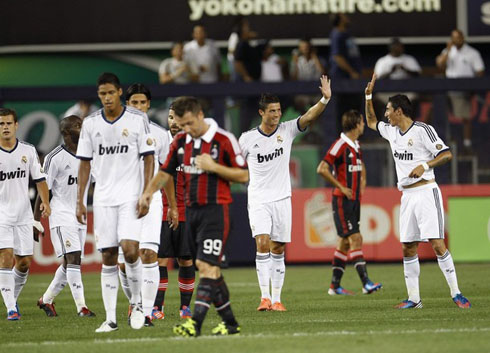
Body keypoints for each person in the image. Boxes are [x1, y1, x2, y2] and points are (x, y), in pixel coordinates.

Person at [138, 96, 248, 337]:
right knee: (209, 269)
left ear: (199, 115)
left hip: (216, 211)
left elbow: (243, 176)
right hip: (191, 212)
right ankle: (230, 323)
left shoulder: (223, 139)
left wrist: (215, 167)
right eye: (180, 124)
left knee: (206, 266)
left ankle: (194, 323)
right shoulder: (180, 142)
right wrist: (147, 192)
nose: (185, 129)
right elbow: (165, 173)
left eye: (188, 123)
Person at [364, 74, 471, 309]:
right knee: (407, 246)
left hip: (426, 192)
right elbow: (371, 121)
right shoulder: (392, 132)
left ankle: (457, 293)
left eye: (389, 110)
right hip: (407, 196)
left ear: (399, 111)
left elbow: (446, 154)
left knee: (436, 243)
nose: (386, 114)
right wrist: (368, 96)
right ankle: (414, 298)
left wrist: (425, 165)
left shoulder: (423, 130)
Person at [238, 76, 331, 312]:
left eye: (279, 110)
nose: (277, 114)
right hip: (258, 199)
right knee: (262, 242)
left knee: (278, 248)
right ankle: (264, 297)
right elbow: (235, 163)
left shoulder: (287, 130)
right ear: (261, 112)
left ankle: (277, 300)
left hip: (282, 199)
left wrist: (325, 99)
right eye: (272, 111)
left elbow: (308, 116)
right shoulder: (247, 139)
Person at [75, 73, 156, 332]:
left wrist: (146, 193)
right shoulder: (90, 124)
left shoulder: (137, 120)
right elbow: (84, 164)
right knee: (108, 255)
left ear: (119, 92)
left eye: (111, 92)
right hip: (103, 199)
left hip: (130, 196)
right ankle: (110, 319)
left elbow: (148, 157)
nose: (107, 98)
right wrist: (80, 201)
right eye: (102, 94)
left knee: (131, 250)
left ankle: (137, 303)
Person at [116, 84, 171, 327]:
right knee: (124, 260)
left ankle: (146, 311)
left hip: (152, 199)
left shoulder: (161, 134)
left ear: (148, 104)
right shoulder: (114, 133)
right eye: (133, 103)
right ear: (127, 104)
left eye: (142, 103)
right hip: (123, 200)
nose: (138, 107)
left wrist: (174, 206)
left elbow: (167, 171)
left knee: (149, 254)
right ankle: (135, 301)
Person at [35, 115, 95, 318]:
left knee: (70, 262)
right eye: (78, 126)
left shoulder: (89, 153)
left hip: (80, 214)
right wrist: (36, 220)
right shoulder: (55, 157)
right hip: (61, 213)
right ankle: (82, 307)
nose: (82, 128)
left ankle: (46, 300)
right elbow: (43, 188)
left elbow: (96, 181)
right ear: (67, 133)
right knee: (74, 258)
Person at [317, 110, 382, 296]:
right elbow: (322, 168)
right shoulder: (340, 145)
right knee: (355, 238)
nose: (363, 125)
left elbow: (361, 165)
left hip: (354, 201)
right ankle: (366, 283)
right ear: (356, 124)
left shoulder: (356, 145)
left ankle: (334, 287)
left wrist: (363, 182)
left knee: (345, 243)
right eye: (362, 122)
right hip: (342, 200)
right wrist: (341, 186)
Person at [0, 107, 51, 320]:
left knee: (24, 262)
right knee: (6, 257)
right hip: (1, 215)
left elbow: (40, 180)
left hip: (23, 214)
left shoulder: (28, 151)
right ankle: (11, 308)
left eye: (8, 123)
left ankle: (12, 299)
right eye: (1, 124)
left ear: (16, 125)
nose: (5, 128)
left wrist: (46, 203)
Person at [151, 104, 195, 321]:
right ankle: (156, 307)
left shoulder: (195, 145)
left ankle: (185, 308)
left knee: (186, 260)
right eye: (170, 117)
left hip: (187, 211)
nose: (173, 122)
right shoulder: (159, 143)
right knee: (159, 260)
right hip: (162, 210)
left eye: (177, 117)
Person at [436, 29, 485, 153]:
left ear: (463, 38)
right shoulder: (448, 51)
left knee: (464, 118)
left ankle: (466, 144)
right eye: (453, 37)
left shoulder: (472, 53)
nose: (455, 40)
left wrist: (473, 85)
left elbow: (480, 71)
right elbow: (440, 65)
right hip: (448, 88)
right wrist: (447, 50)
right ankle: (446, 140)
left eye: (458, 37)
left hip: (464, 89)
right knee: (441, 112)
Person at [329, 13, 363, 133]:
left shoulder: (346, 34)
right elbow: (338, 57)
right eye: (345, 17)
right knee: (344, 110)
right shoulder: (337, 35)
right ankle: (343, 136)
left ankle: (354, 135)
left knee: (355, 109)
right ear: (340, 21)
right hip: (343, 79)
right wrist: (352, 71)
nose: (348, 18)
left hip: (352, 79)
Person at [374, 38, 421, 102]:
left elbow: (417, 74)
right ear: (390, 48)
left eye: (399, 46)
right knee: (377, 98)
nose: (398, 48)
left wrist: (405, 69)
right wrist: (391, 71)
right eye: (395, 46)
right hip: (387, 91)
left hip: (406, 90)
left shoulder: (409, 59)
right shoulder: (382, 60)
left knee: (415, 96)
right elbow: (377, 78)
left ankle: (408, 112)